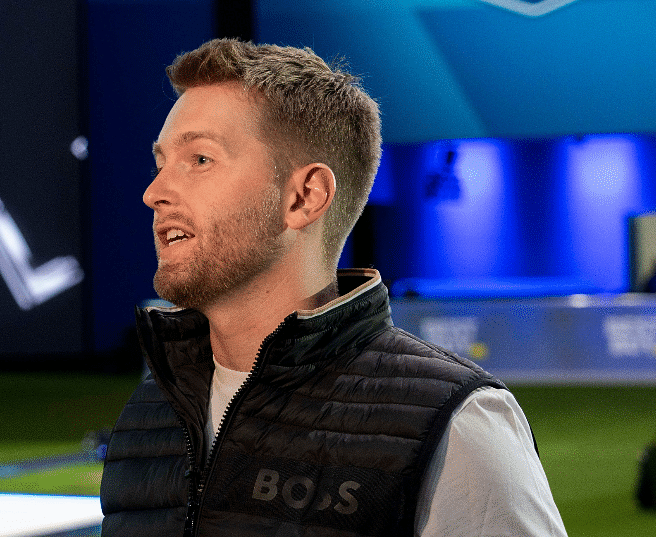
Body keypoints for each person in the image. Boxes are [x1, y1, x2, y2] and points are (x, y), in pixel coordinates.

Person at [100, 39, 566, 536]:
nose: (155, 192)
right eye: (160, 163)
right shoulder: (152, 415)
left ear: (305, 196)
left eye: (199, 160)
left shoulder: (454, 426)